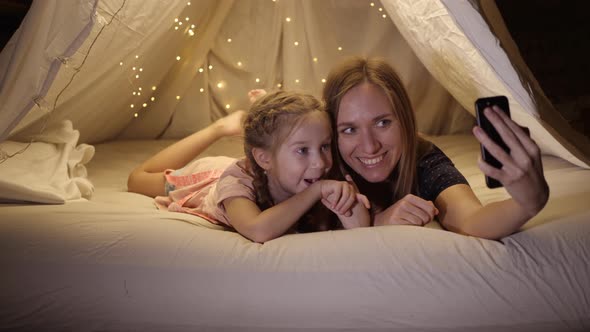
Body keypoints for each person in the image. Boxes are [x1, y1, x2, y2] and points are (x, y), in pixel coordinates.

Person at [322, 56, 549, 240]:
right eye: (349, 130)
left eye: (382, 123)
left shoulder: (424, 159)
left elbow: (471, 221)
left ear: (405, 121)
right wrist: (377, 223)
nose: (370, 146)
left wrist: (528, 202)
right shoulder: (318, 165)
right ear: (332, 133)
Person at [128, 90, 370, 243]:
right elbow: (257, 230)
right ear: (264, 159)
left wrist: (350, 204)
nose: (320, 162)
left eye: (325, 146)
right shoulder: (235, 182)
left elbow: (361, 229)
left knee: (285, 135)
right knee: (137, 180)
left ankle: (262, 111)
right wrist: (316, 191)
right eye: (302, 150)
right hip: (212, 177)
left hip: (265, 165)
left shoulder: (318, 172)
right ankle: (221, 127)